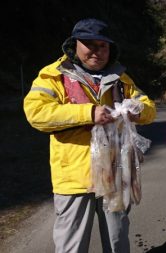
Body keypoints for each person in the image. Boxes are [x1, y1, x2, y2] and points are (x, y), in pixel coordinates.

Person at [23, 18, 156, 253]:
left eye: (102, 46)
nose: (97, 51)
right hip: (74, 179)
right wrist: (88, 112)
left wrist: (138, 110)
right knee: (71, 246)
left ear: (110, 48)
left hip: (115, 174)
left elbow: (149, 108)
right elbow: (36, 113)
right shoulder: (53, 75)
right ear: (75, 45)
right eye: (89, 45)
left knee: (117, 242)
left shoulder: (122, 78)